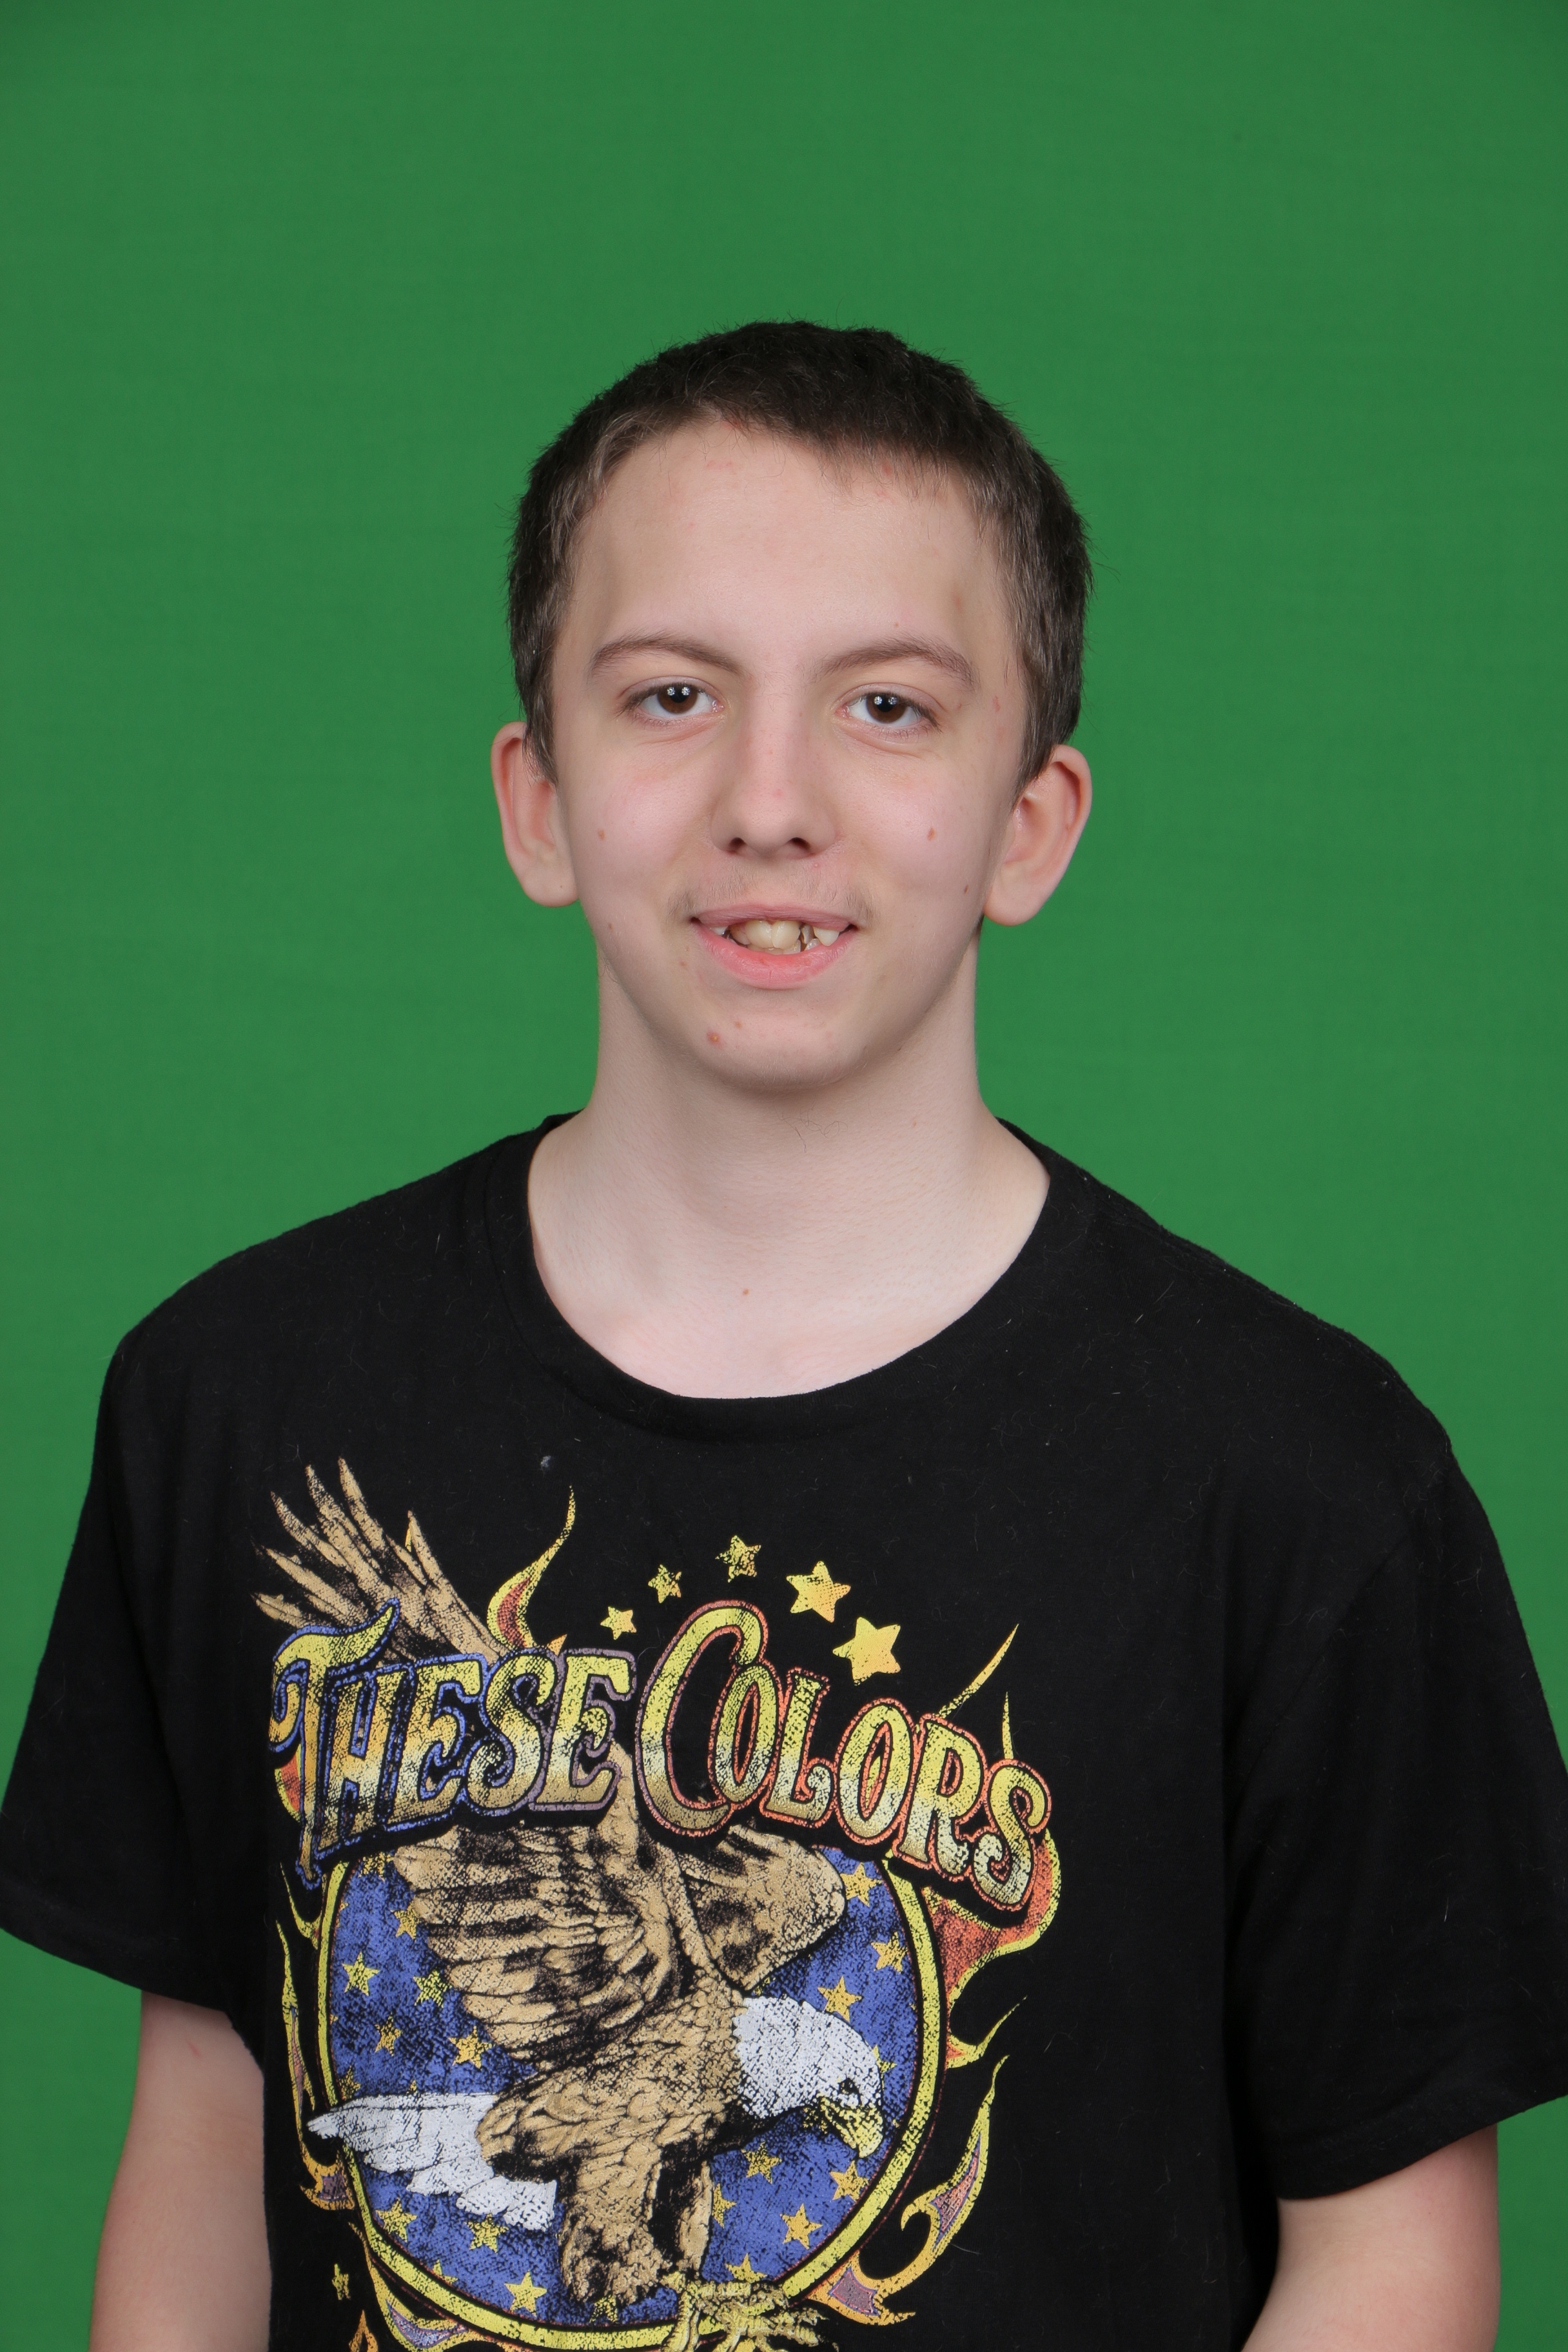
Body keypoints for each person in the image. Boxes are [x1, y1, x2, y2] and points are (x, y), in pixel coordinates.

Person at [3, 322, 1565, 2352]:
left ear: (1029, 822)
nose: (771, 801)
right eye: (672, 695)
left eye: (888, 707)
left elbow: (1391, 2258)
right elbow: (215, 2145)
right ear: (540, 798)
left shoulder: (1305, 1485)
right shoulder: (239, 1401)